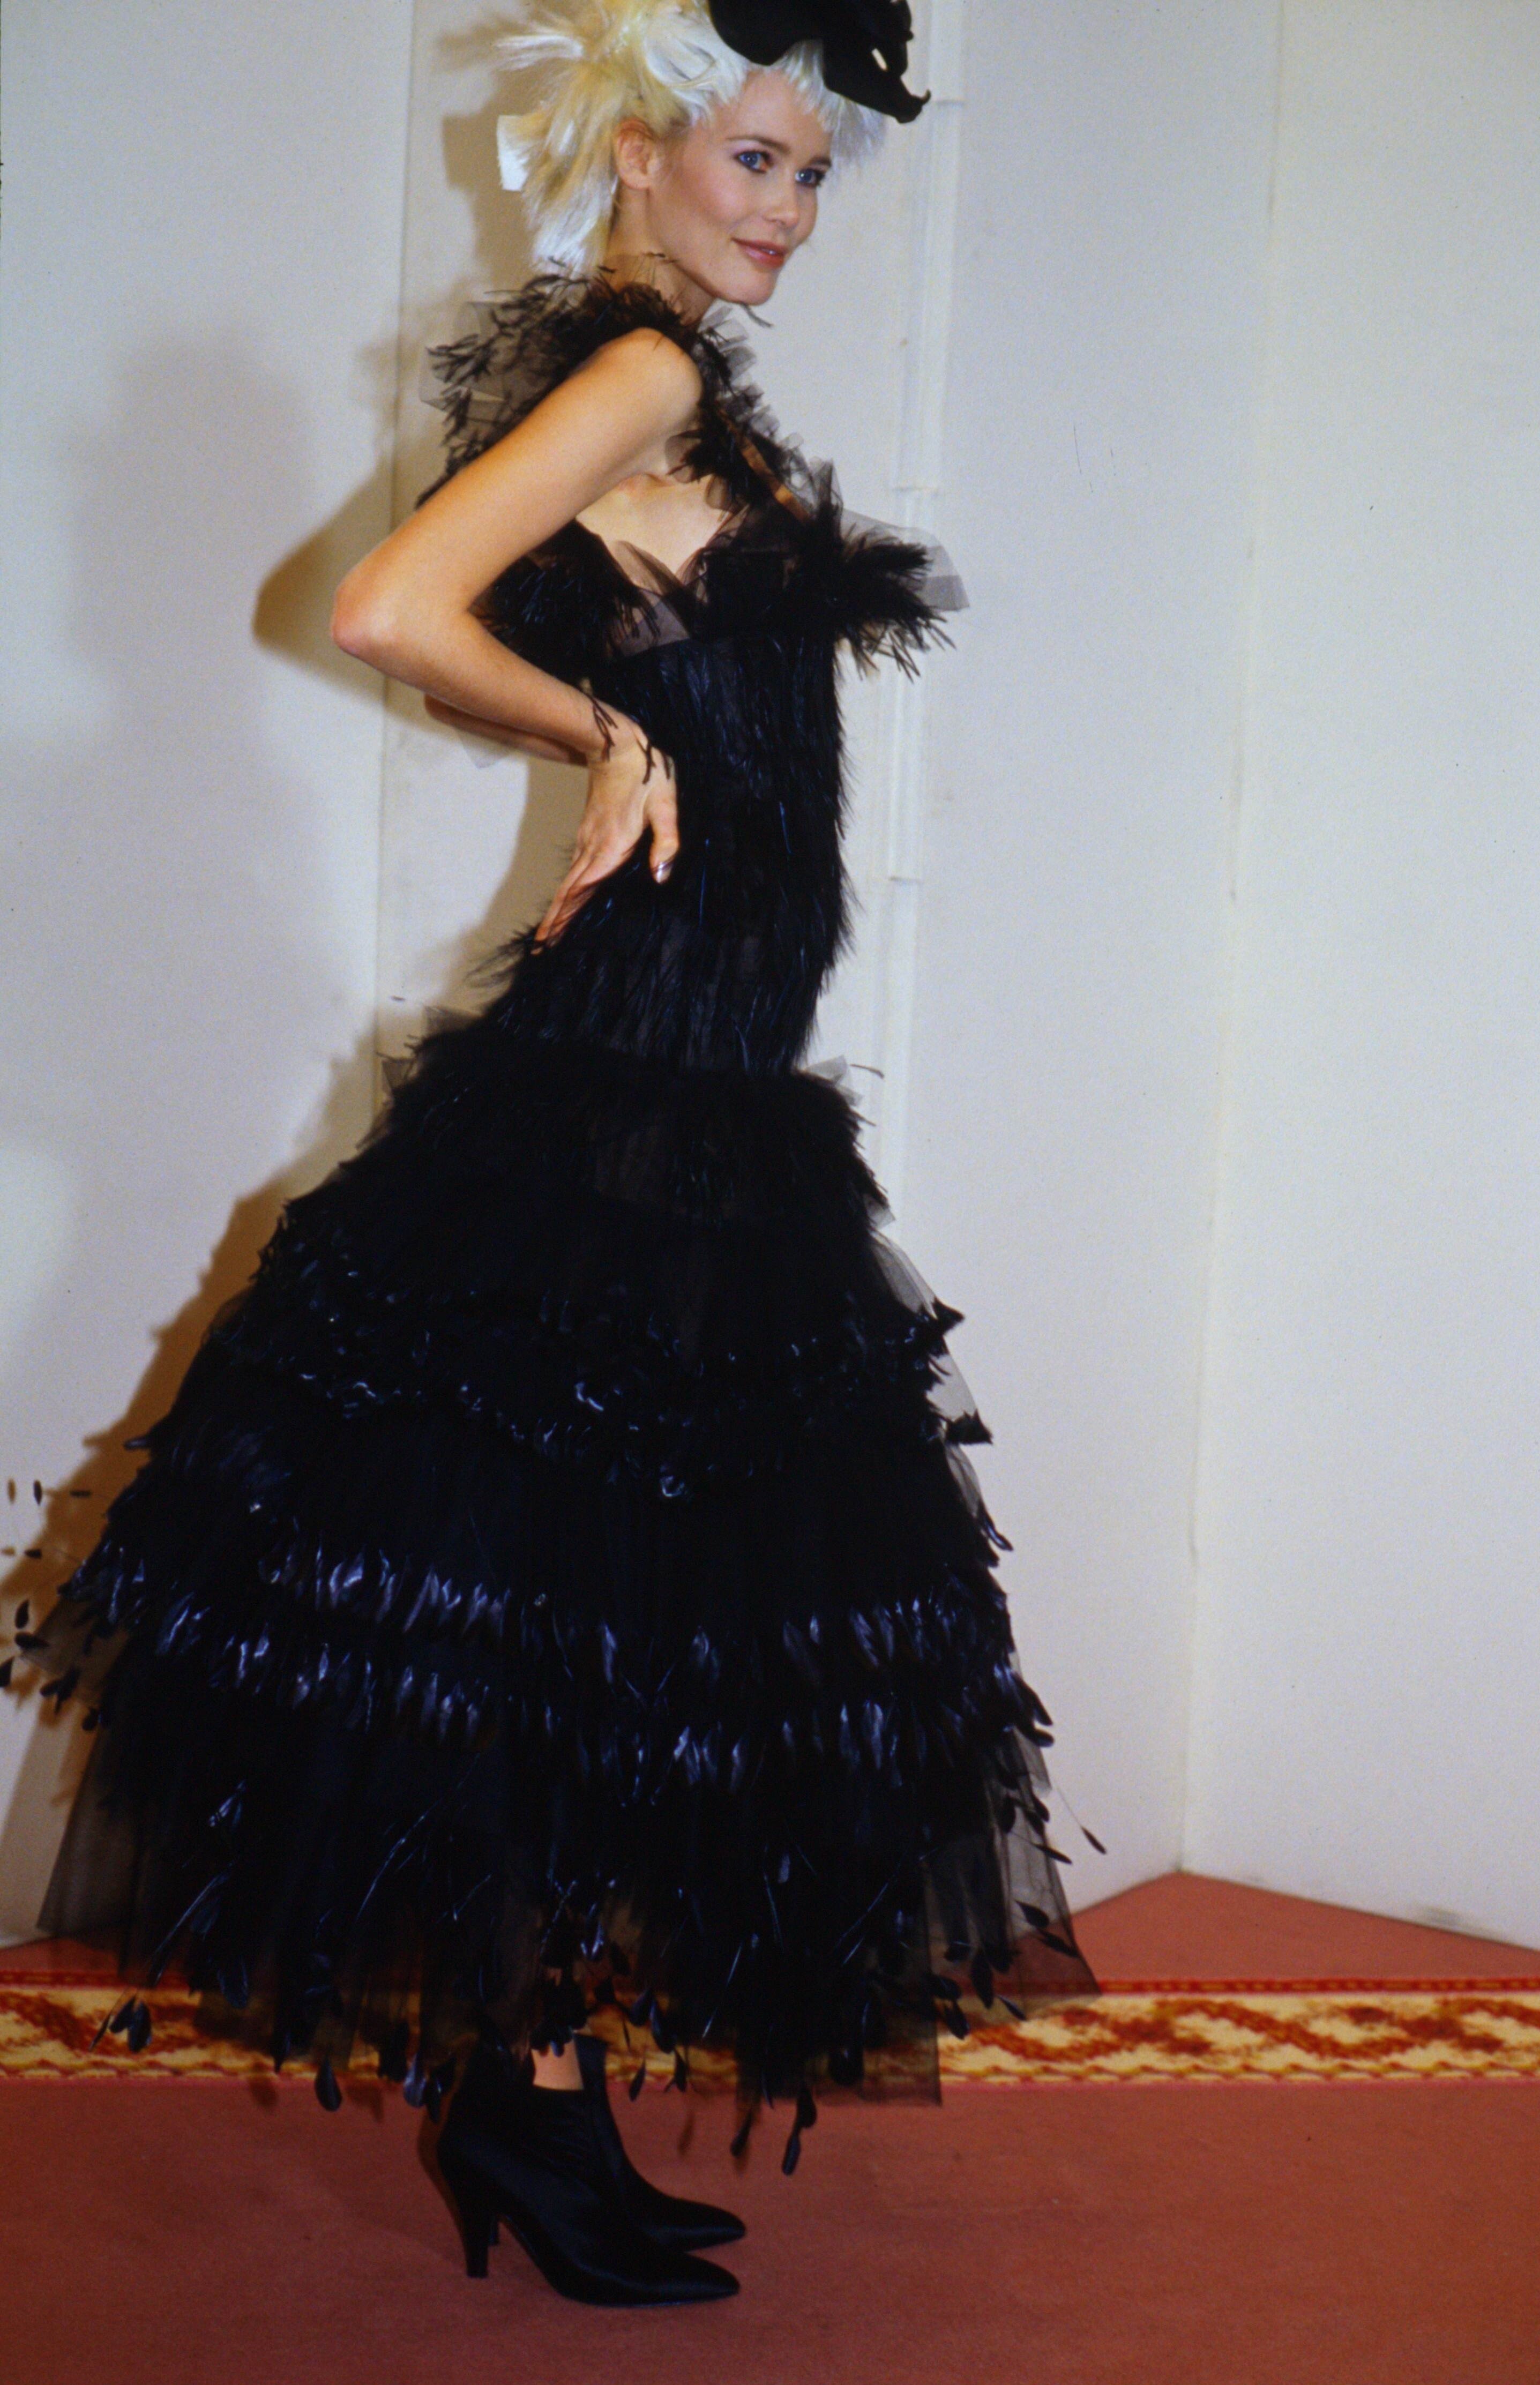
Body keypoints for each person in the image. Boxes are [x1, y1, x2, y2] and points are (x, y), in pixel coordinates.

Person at [21, 0, 1095, 2308]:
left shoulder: (665, 377)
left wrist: (613, 725)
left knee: (608, 1645)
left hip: (696, 1091)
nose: (791, 207)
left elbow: (461, 634)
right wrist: (605, 731)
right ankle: (523, 2114)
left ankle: (535, 2101)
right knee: (574, 1634)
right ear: (637, 147)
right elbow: (389, 610)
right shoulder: (637, 372)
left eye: (813, 170)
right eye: (755, 158)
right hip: (629, 1103)